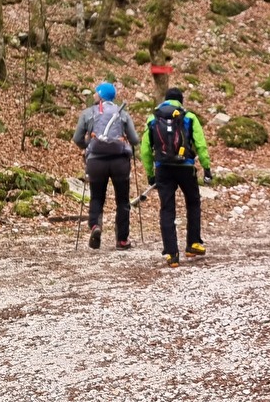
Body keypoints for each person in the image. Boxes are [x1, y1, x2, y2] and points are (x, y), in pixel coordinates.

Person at [140, 86, 213, 267]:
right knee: (193, 202)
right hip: (185, 167)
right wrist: (206, 167)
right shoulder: (188, 117)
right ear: (181, 101)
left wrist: (150, 174)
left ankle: (172, 254)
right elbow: (201, 144)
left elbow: (145, 150)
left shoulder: (153, 118)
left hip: (163, 169)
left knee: (167, 209)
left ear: (165, 99)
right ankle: (193, 244)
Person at [73, 82, 140, 250]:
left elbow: (77, 138)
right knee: (123, 201)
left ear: (101, 95)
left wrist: (87, 146)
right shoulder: (122, 113)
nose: (94, 95)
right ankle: (122, 240)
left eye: (96, 92)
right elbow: (134, 139)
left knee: (97, 197)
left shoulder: (88, 113)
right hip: (120, 162)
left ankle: (95, 225)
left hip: (96, 161)